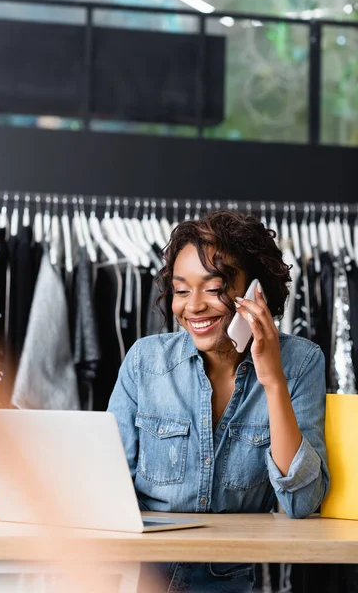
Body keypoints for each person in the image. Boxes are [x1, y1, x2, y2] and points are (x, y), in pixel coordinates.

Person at [107, 210, 330, 593]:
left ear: (256, 291)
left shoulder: (301, 364)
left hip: (230, 583)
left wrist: (272, 379)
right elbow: (105, 488)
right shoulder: (145, 361)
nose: (193, 306)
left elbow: (303, 502)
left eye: (213, 289)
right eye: (180, 290)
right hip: (139, 578)